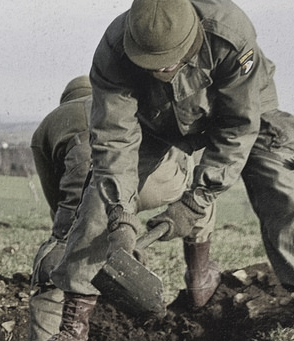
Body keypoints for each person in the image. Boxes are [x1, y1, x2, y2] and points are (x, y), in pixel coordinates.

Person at [34, 0, 294, 341]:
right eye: (150, 61)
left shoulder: (230, 34)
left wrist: (198, 198)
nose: (161, 68)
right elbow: (115, 141)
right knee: (99, 196)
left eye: (168, 59)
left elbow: (236, 129)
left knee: (279, 183)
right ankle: (72, 332)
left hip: (240, 113)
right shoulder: (113, 53)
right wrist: (121, 216)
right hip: (157, 120)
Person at [27, 75, 195, 288]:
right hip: (154, 183)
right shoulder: (123, 104)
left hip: (92, 190)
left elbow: (56, 199)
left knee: (67, 240)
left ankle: (54, 290)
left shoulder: (52, 122)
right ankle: (199, 274)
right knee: (198, 198)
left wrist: (66, 233)